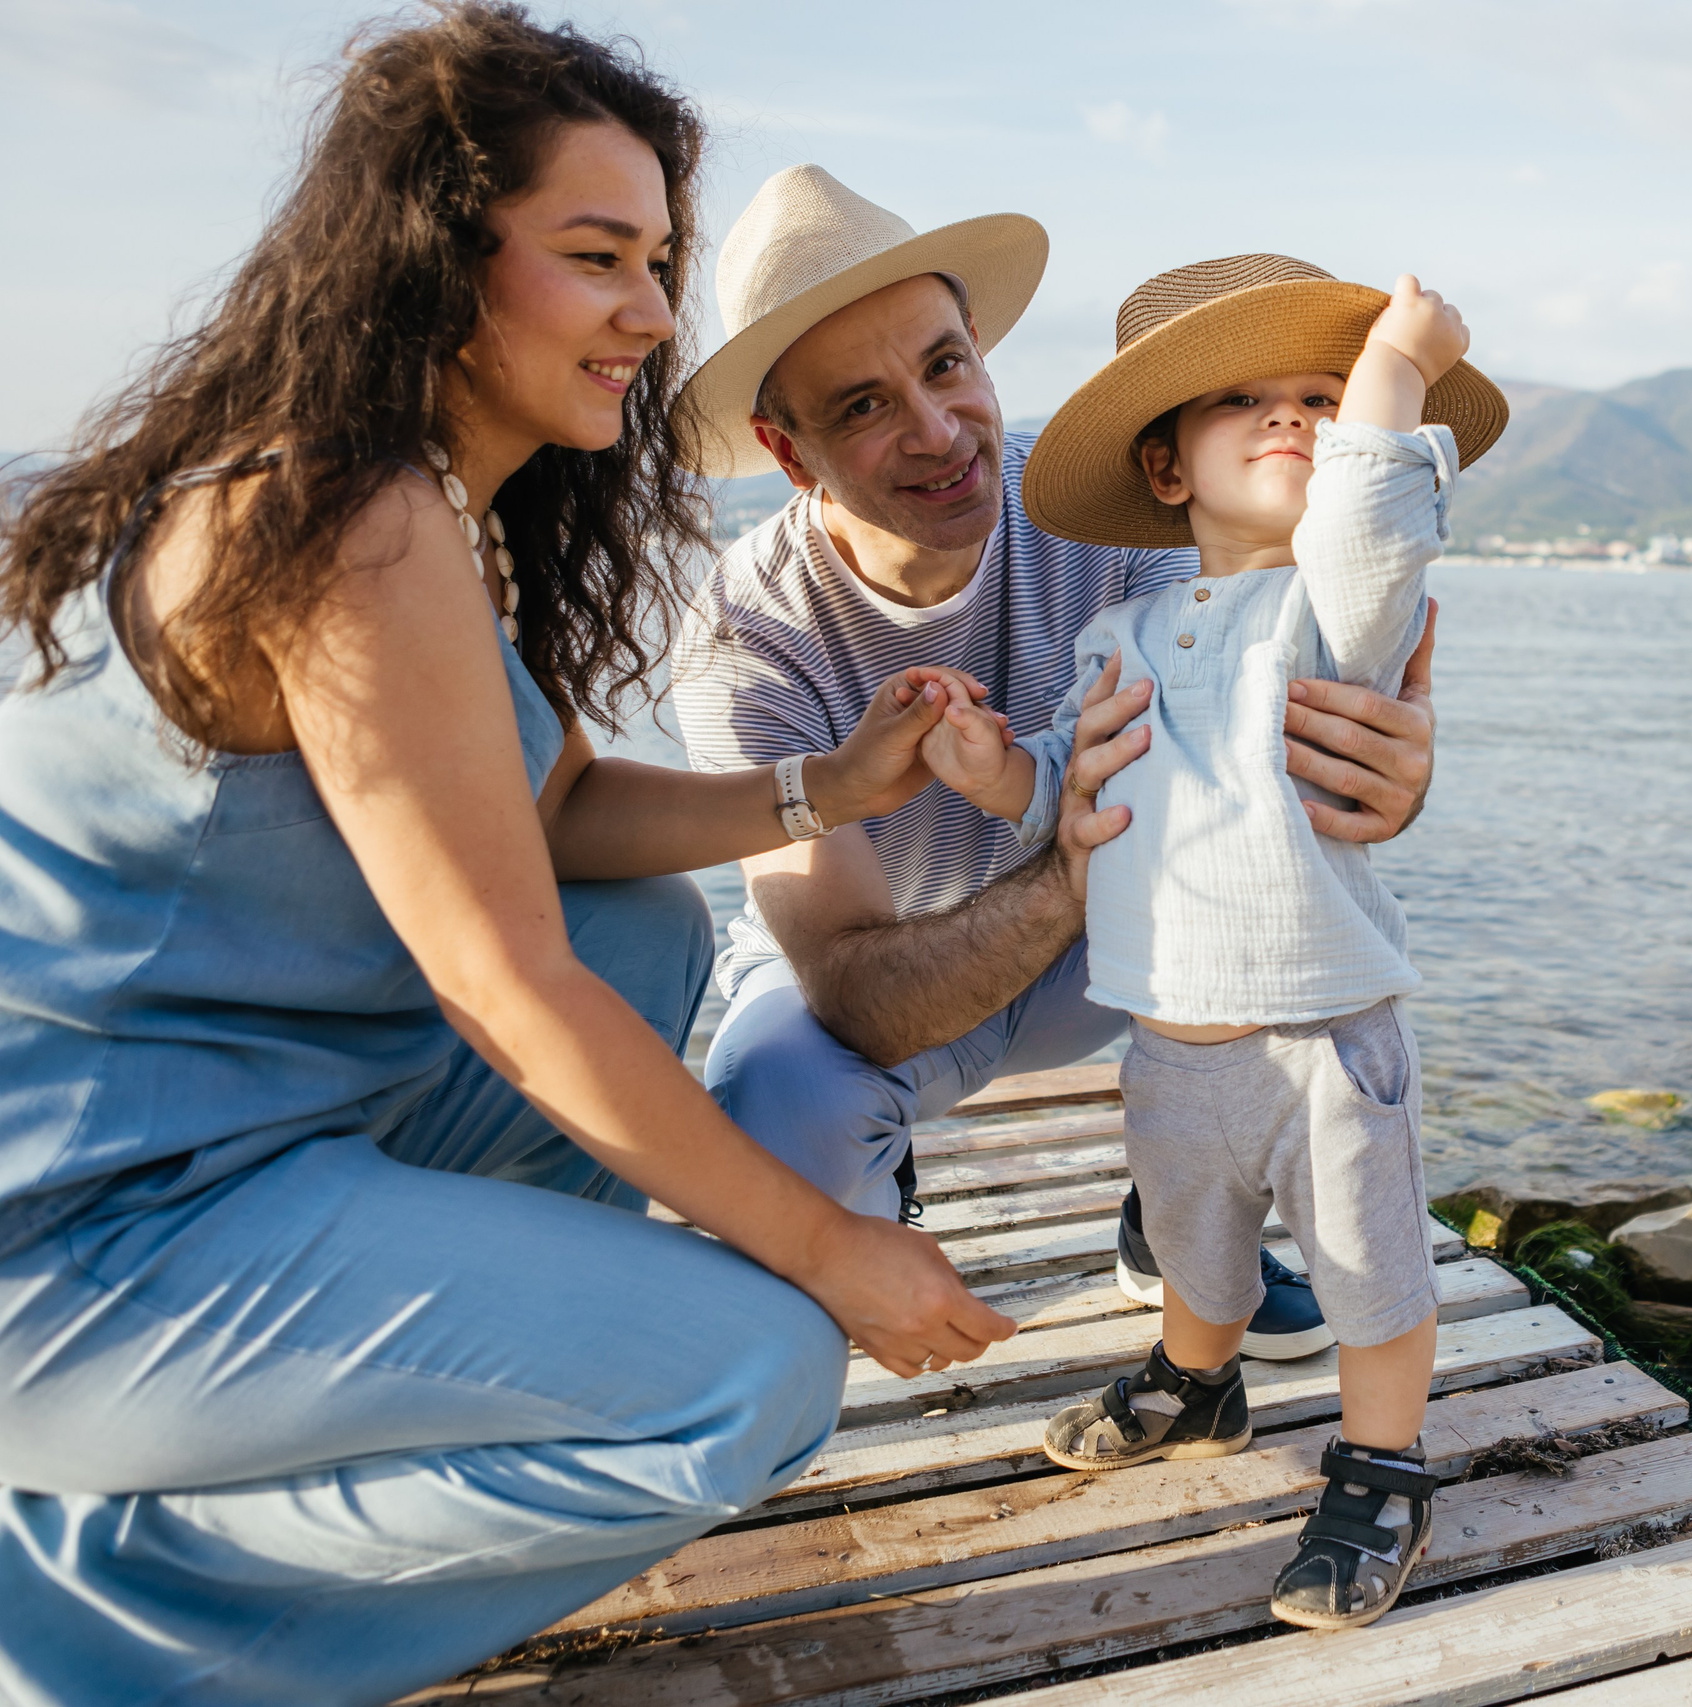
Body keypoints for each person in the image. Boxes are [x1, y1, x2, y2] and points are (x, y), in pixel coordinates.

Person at [0, 10, 1053, 1701]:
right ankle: (76, 1609)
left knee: (648, 935)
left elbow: (558, 820)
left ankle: (380, 1386)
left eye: (656, 258)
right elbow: (499, 982)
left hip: (224, 1123)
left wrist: (828, 789)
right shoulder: (352, 520)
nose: (650, 309)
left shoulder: (424, 506)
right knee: (755, 1377)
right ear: (437, 260)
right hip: (72, 1232)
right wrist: (827, 1243)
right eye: (596, 257)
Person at [668, 171, 1444, 1359]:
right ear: (786, 448)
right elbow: (858, 999)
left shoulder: (1110, 504)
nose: (936, 434)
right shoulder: (742, 638)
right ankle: (893, 1178)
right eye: (866, 405)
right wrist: (1073, 854)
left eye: (941, 368)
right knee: (778, 1121)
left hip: (1120, 946)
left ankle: (1179, 1210)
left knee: (1281, 938)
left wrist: (1375, 771)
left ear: (979, 350)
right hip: (891, 968)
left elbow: (1287, 671)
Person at [941, 253, 1504, 1630]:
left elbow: (1373, 510)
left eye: (1319, 396)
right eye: (1243, 400)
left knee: (1371, 1268)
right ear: (1166, 471)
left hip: (1320, 1033)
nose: (1294, 417)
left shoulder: (1333, 613)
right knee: (1196, 1249)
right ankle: (1199, 1384)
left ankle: (1381, 1463)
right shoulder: (1121, 627)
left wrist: (1399, 363)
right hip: (1167, 1036)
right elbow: (1069, 783)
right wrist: (988, 767)